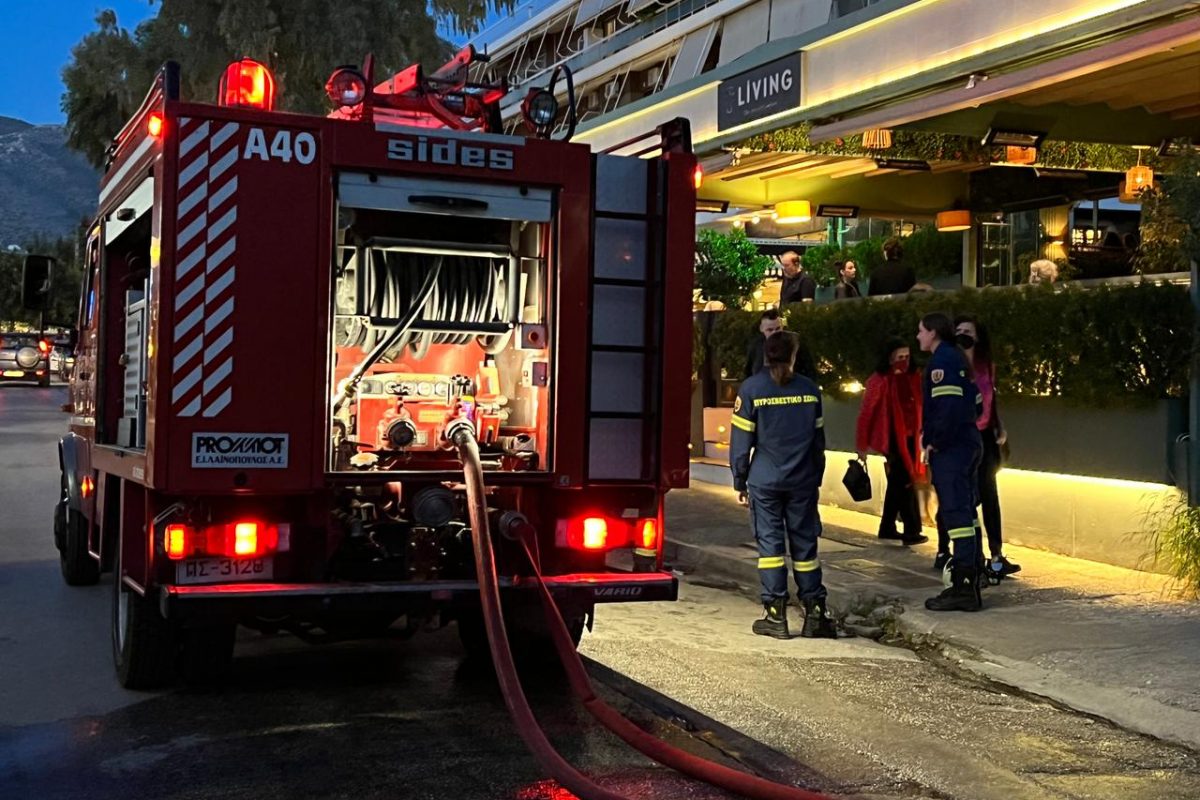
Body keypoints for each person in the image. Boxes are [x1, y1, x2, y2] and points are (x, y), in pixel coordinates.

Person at [730, 331, 837, 639]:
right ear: (793, 355)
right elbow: (818, 443)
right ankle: (815, 614)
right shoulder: (809, 390)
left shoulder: (752, 389)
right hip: (802, 480)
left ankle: (775, 616)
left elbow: (741, 444)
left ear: (766, 354)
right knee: (805, 546)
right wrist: (815, 476)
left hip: (765, 481)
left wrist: (740, 480)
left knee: (770, 547)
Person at [917, 312, 984, 612]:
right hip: (968, 443)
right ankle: (973, 573)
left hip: (952, 449)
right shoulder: (958, 359)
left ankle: (964, 586)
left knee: (956, 515)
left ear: (933, 332)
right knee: (966, 513)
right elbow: (976, 403)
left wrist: (935, 440)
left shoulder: (942, 362)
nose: (918, 336)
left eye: (921, 331)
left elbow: (947, 408)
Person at [954, 315, 1020, 581]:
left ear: (978, 336)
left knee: (990, 495)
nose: (963, 335)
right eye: (959, 330)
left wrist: (999, 426)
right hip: (962, 437)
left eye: (968, 331)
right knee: (967, 497)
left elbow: (991, 399)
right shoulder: (951, 365)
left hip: (985, 436)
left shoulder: (986, 366)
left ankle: (996, 556)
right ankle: (969, 555)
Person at [855, 338, 927, 545]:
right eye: (899, 357)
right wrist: (862, 445)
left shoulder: (914, 377)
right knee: (904, 482)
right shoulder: (879, 380)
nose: (904, 361)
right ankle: (911, 530)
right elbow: (866, 413)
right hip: (892, 438)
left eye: (907, 357)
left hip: (911, 437)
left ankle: (888, 527)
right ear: (889, 358)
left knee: (898, 483)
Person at [743, 309, 817, 381]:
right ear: (761, 329)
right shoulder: (755, 346)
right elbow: (748, 372)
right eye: (770, 330)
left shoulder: (795, 344)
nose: (774, 333)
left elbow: (810, 371)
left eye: (778, 328)